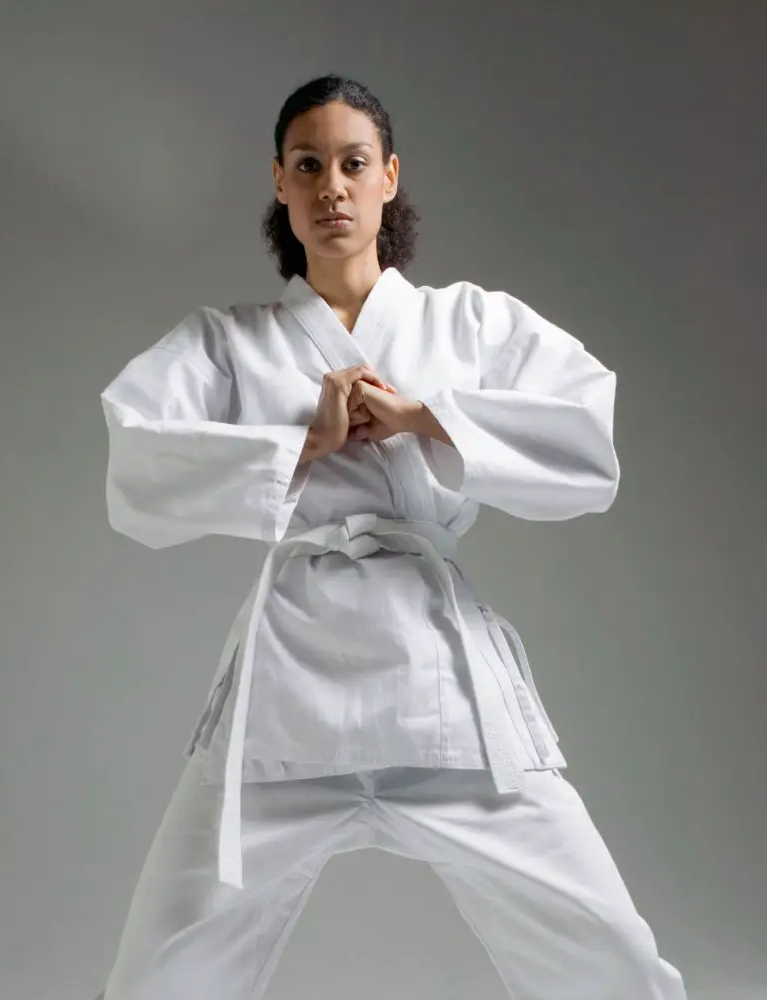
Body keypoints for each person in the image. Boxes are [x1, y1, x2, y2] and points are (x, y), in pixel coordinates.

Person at [95, 74, 688, 999]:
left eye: (352, 163)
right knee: (161, 972)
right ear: (282, 186)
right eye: (308, 165)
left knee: (605, 943)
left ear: (388, 179)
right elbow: (136, 461)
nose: (331, 185)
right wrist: (304, 444)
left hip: (437, 686)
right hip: (287, 702)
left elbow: (586, 433)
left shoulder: (468, 323)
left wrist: (427, 415)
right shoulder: (227, 342)